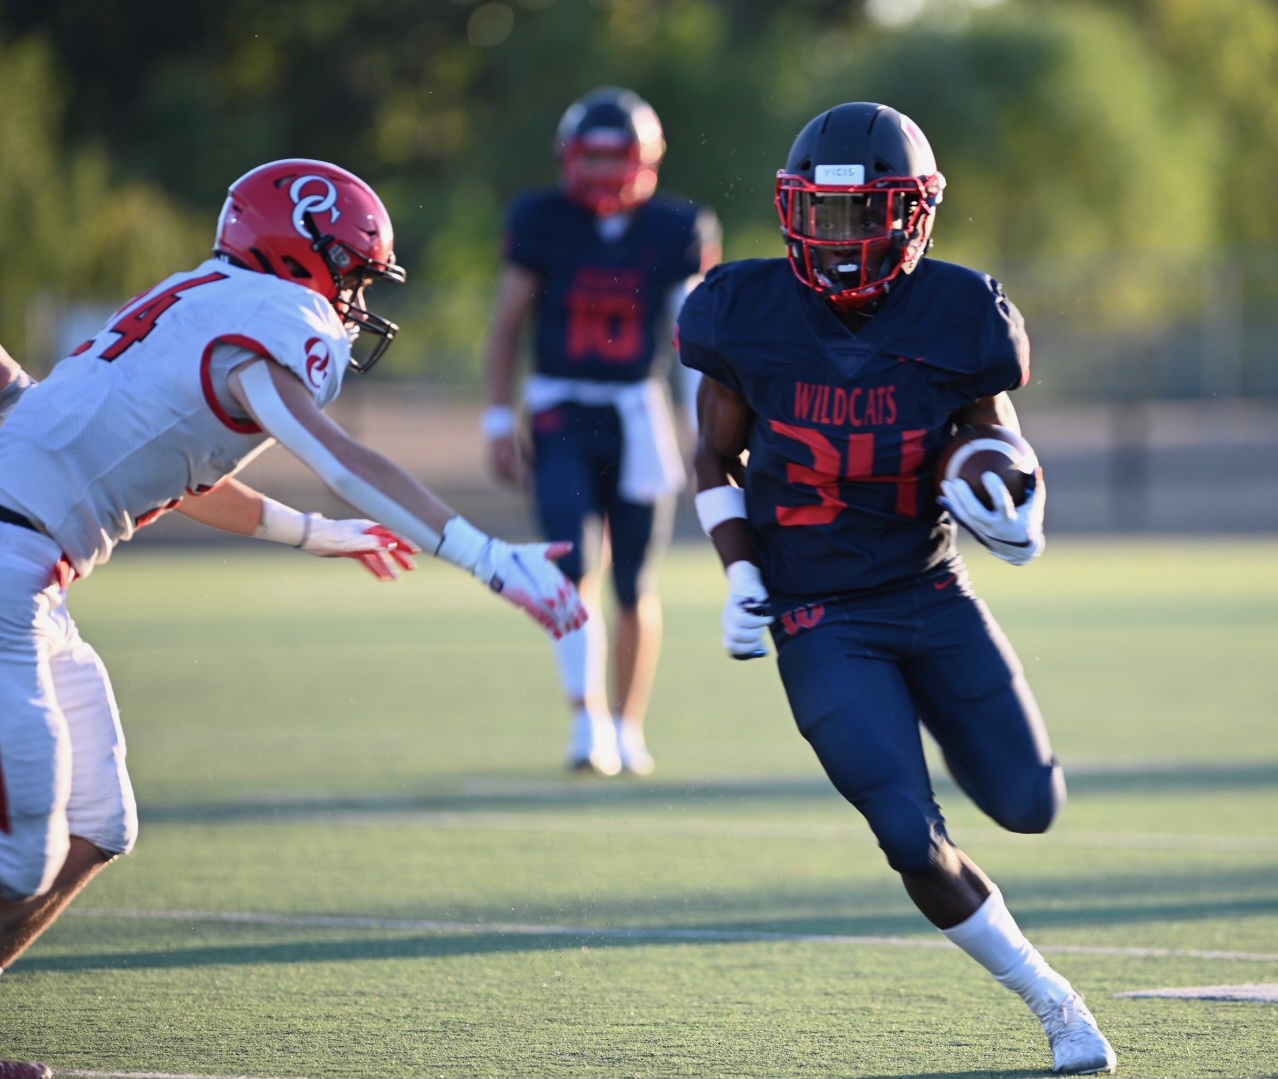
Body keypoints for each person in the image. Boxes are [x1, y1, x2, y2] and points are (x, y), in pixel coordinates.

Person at [0, 159, 586, 1031]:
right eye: (349, 271)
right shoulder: (273, 321)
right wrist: (488, 557)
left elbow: (177, 468)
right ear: (299, 251)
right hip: (13, 567)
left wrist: (312, 532)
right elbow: (345, 460)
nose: (353, 299)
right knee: (23, 853)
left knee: (103, 822)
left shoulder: (203, 297)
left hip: (35, 574)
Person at [677, 103, 1117, 1075]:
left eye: (861, 216)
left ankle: (942, 735)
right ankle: (1056, 1002)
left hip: (929, 587)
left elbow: (993, 437)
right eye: (820, 218)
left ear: (912, 214)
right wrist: (740, 570)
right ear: (790, 211)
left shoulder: (963, 313)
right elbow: (711, 456)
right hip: (818, 611)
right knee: (909, 835)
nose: (839, 243)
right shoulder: (740, 307)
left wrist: (1018, 498)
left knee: (1029, 803)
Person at [482, 87, 721, 776]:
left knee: (635, 582)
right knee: (571, 562)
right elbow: (507, 324)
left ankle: (628, 723)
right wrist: (499, 417)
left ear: (646, 158)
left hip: (638, 412)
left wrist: (709, 432)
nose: (603, 170)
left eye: (615, 156)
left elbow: (694, 339)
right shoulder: (541, 219)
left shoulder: (678, 226)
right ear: (568, 157)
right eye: (592, 155)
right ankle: (587, 721)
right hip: (560, 408)